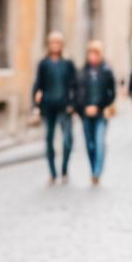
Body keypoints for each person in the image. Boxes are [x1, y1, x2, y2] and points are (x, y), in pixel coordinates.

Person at [31, 31, 76, 184]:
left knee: (68, 140)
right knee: (49, 140)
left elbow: (74, 85)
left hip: (64, 107)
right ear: (49, 45)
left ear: (61, 45)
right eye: (52, 42)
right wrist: (35, 106)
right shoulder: (43, 64)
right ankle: (52, 172)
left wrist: (73, 104)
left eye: (58, 42)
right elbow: (38, 85)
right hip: (48, 106)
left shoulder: (68, 64)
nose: (55, 45)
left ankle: (64, 169)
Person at [74, 40, 116, 186]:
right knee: (90, 144)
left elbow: (111, 93)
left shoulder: (106, 71)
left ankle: (97, 171)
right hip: (86, 114)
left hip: (101, 114)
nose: (92, 56)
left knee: (99, 143)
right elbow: (77, 93)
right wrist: (82, 108)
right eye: (90, 53)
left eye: (95, 53)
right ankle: (93, 169)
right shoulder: (81, 72)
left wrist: (99, 106)